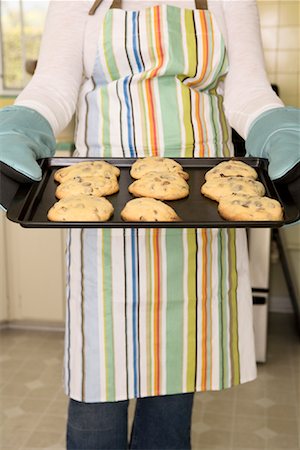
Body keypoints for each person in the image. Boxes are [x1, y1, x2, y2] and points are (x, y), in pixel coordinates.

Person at [0, 0, 299, 449]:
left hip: (198, 216)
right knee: (95, 393)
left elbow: (249, 91)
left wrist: (278, 129)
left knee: (172, 397)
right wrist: (19, 127)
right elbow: (54, 85)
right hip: (107, 221)